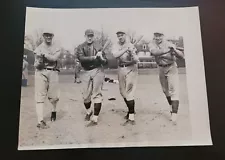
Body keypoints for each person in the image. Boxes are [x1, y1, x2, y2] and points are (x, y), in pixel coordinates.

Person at [149, 31, 184, 125]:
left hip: (171, 67)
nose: (157, 38)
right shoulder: (151, 44)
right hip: (160, 68)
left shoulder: (169, 44)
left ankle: (174, 115)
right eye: (156, 36)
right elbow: (154, 52)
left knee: (174, 90)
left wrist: (175, 50)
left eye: (159, 36)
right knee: (165, 90)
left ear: (163, 36)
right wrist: (167, 51)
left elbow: (181, 56)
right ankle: (171, 107)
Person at [76, 29, 108, 127]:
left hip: (97, 70)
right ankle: (89, 112)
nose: (90, 37)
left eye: (91, 36)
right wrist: (94, 57)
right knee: (86, 96)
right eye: (88, 36)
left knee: (97, 94)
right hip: (85, 71)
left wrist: (101, 58)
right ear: (85, 36)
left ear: (93, 36)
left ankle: (95, 118)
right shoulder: (80, 47)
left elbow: (106, 62)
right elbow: (82, 59)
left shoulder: (99, 46)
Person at [33, 29, 61, 129]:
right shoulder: (38, 48)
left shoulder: (57, 47)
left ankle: (53, 110)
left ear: (52, 36)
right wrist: (39, 61)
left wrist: (44, 55)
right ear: (43, 36)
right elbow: (36, 64)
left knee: (54, 97)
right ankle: (40, 120)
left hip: (53, 71)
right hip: (41, 72)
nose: (48, 37)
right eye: (46, 35)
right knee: (39, 96)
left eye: (50, 35)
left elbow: (54, 59)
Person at [112, 30, 139, 126]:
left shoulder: (131, 45)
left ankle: (131, 117)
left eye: (122, 35)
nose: (120, 37)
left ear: (125, 36)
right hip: (121, 69)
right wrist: (125, 49)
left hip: (131, 68)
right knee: (123, 92)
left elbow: (136, 60)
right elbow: (115, 55)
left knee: (129, 92)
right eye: (118, 36)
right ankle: (130, 111)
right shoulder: (116, 45)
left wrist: (132, 52)